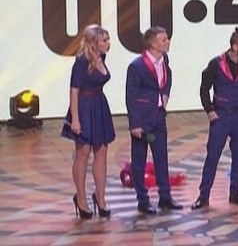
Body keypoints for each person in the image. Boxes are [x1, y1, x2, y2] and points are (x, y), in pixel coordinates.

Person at [191, 30, 238, 210]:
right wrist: (209, 110)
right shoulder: (216, 64)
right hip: (221, 114)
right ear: (235, 46)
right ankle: (203, 195)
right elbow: (204, 88)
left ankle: (235, 193)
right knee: (213, 155)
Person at [126, 26, 183, 214]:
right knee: (139, 160)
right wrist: (134, 123)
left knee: (161, 157)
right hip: (142, 119)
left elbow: (168, 78)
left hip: (158, 116)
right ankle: (143, 200)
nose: (168, 42)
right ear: (152, 44)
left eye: (167, 38)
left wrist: (165, 95)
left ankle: (165, 197)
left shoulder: (164, 60)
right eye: (163, 39)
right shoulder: (137, 66)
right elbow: (131, 96)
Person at [61, 24, 116, 219]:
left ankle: (100, 198)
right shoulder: (81, 61)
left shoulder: (101, 57)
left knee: (101, 151)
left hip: (99, 105)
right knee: (83, 153)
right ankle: (81, 199)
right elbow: (74, 91)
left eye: (108, 39)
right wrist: (75, 119)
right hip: (84, 107)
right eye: (104, 40)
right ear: (93, 43)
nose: (108, 43)